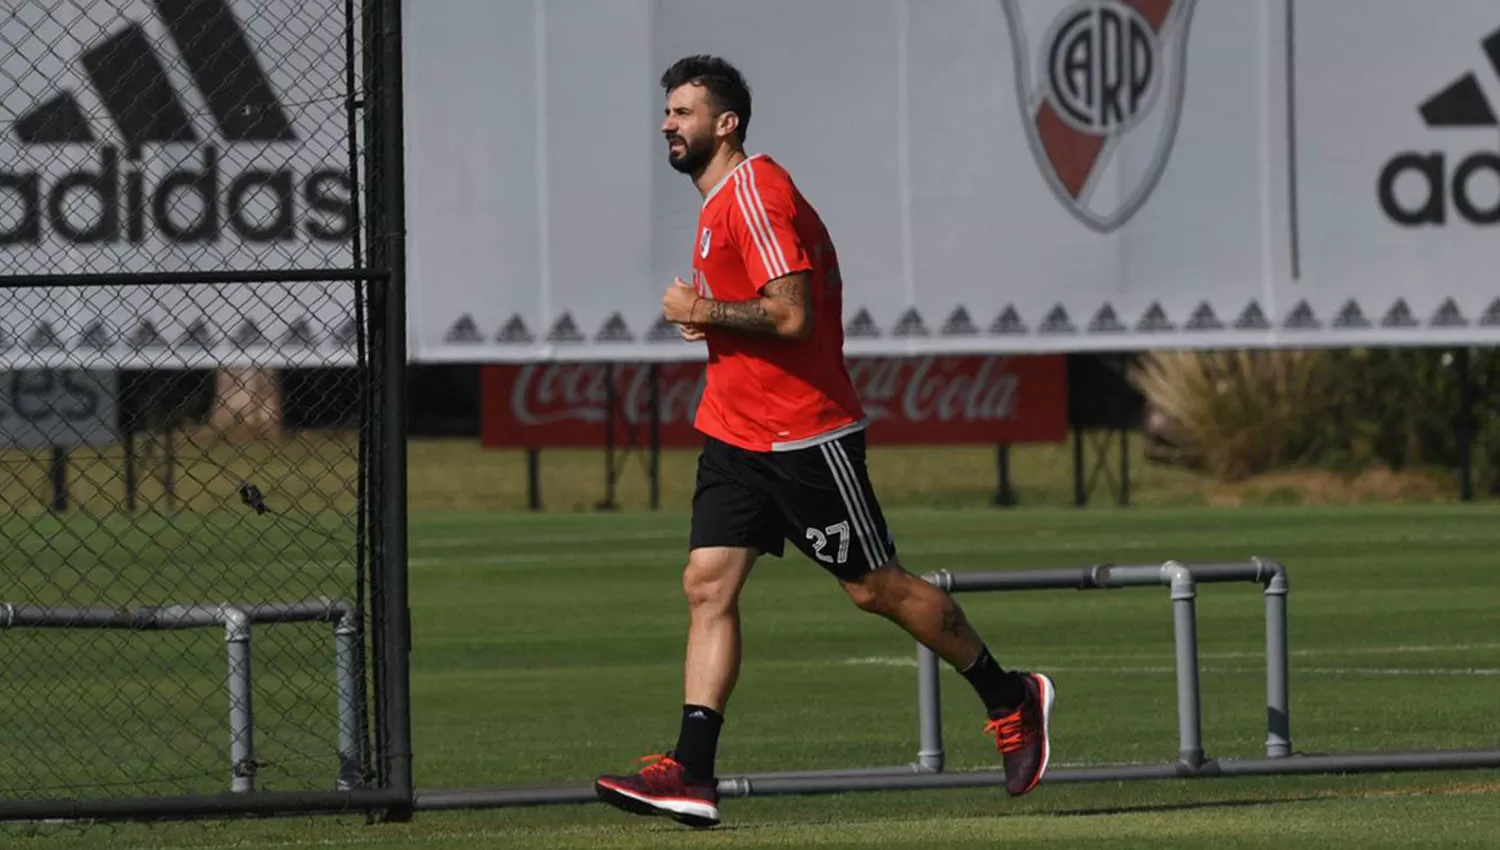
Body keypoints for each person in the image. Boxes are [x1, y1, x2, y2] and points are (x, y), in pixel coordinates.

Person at [593, 55, 1054, 829]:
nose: (668, 124)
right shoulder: (718, 202)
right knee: (707, 584)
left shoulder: (757, 194)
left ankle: (1011, 696)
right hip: (735, 433)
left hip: (803, 436)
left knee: (875, 589)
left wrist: (705, 308)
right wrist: (711, 312)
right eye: (668, 112)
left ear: (726, 123)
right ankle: (691, 771)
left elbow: (792, 315)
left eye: (683, 112)